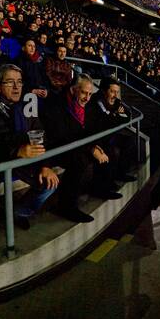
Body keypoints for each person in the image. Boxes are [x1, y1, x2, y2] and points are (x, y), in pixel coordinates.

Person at [0, 64, 59, 245]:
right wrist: (16, 150)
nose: (17, 87)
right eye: (10, 82)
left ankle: (19, 212)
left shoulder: (27, 107)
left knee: (50, 183)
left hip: (21, 163)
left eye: (19, 82)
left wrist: (45, 165)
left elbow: (40, 136)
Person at [47, 74, 120, 223]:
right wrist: (91, 148)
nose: (87, 98)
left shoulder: (87, 105)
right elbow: (63, 136)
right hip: (55, 147)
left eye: (90, 94)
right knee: (79, 160)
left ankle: (100, 187)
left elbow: (93, 128)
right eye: (84, 93)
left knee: (105, 148)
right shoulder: (57, 104)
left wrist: (95, 146)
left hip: (76, 144)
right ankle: (66, 207)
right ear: (73, 90)